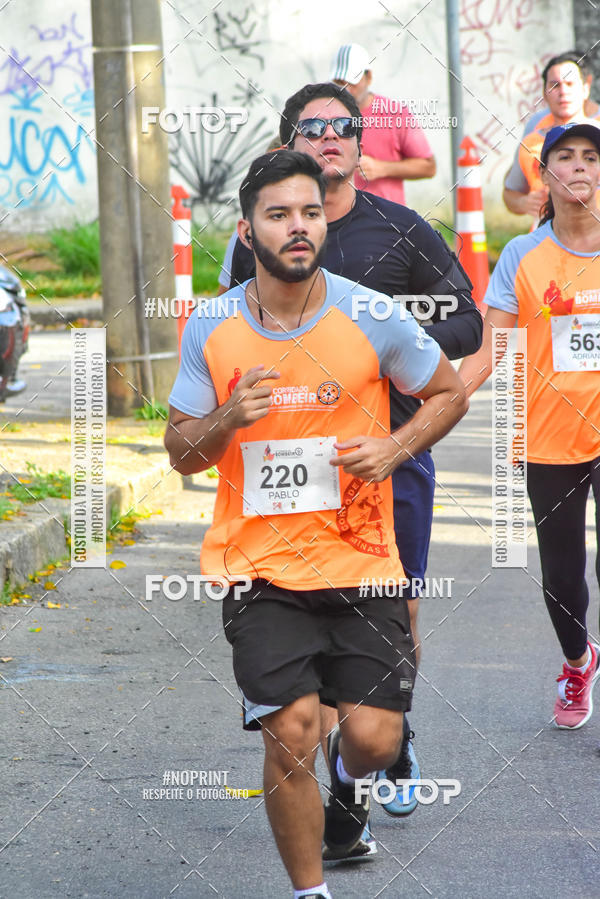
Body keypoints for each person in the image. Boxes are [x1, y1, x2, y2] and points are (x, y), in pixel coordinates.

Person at [165, 149, 468, 898]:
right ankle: (310, 892)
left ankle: (348, 779)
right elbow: (180, 453)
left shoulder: (370, 314)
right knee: (293, 727)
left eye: (308, 211)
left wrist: (395, 447)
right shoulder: (212, 325)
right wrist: (228, 416)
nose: (297, 227)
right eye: (278, 214)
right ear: (246, 230)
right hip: (258, 565)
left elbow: (448, 391)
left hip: (361, 559)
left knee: (372, 736)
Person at [218, 81, 482, 836]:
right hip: (288, 462)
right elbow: (230, 334)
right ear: (288, 145)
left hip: (386, 456)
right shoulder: (260, 235)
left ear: (363, 148)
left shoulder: (401, 230)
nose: (329, 137)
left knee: (392, 608)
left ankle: (381, 740)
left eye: (344, 127)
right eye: (313, 127)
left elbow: (463, 318)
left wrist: (385, 335)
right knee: (298, 614)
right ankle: (326, 778)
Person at [461, 122, 600, 728]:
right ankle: (577, 661)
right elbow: (491, 349)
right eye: (565, 158)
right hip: (545, 433)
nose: (579, 168)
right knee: (562, 575)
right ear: (546, 175)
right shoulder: (521, 256)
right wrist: (433, 406)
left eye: (591, 158)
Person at [329, 43, 436, 204]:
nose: (346, 89)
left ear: (369, 77)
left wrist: (382, 168)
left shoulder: (395, 114)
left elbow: (428, 167)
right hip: (337, 223)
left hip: (387, 223)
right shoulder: (323, 116)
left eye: (353, 81)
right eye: (340, 81)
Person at [503, 52, 600, 222]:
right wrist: (524, 202)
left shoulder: (597, 134)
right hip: (546, 236)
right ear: (545, 92)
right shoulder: (531, 141)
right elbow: (510, 192)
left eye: (570, 84)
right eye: (555, 85)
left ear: (585, 89)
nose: (563, 92)